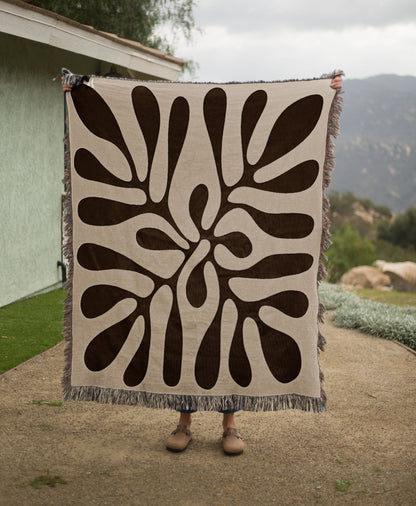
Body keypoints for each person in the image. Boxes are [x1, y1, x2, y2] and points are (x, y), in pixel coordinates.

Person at [62, 71, 343, 456]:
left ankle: (231, 426)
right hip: (186, 270)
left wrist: (323, 92)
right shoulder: (185, 176)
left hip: (217, 271)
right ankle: (184, 421)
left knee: (226, 337)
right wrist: (82, 95)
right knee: (180, 332)